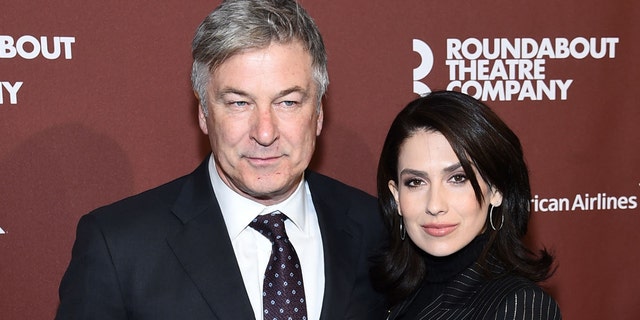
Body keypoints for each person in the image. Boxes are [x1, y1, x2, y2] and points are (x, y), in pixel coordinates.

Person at [55, 1, 386, 319]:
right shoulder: (119, 246)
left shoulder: (377, 229)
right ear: (203, 113)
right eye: (239, 103)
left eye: (287, 102)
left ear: (317, 114)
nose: (265, 133)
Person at [372, 90, 561, 319]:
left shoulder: (518, 305)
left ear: (497, 190)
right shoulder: (388, 295)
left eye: (458, 178)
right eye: (416, 182)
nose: (435, 205)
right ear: (396, 196)